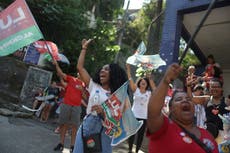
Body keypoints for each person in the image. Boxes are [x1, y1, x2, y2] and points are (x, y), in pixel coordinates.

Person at [147, 63, 218, 153]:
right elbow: (153, 112)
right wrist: (166, 80)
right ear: (171, 108)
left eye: (188, 99)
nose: (185, 100)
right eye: (179, 99)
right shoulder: (163, 128)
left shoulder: (208, 136)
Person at [73, 39, 128, 153]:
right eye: (102, 69)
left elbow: (117, 120)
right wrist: (84, 48)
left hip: (104, 131)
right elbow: (80, 68)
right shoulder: (94, 86)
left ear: (114, 74)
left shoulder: (118, 96)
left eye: (107, 69)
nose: (102, 70)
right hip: (87, 126)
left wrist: (103, 112)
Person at [53, 59, 86, 153]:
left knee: (75, 126)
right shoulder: (71, 79)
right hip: (66, 104)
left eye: (81, 72)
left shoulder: (84, 85)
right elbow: (61, 74)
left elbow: (85, 97)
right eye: (79, 72)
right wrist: (56, 65)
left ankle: (72, 146)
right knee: (63, 125)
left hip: (76, 106)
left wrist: (82, 90)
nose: (80, 73)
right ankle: (61, 144)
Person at [126, 63, 156, 153]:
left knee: (140, 136)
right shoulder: (136, 89)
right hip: (134, 115)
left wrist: (149, 78)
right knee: (132, 134)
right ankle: (129, 150)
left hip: (144, 117)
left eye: (145, 82)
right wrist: (128, 68)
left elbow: (155, 89)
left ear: (147, 84)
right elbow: (130, 79)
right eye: (142, 81)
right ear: (139, 83)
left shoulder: (149, 93)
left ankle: (136, 151)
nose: (143, 82)